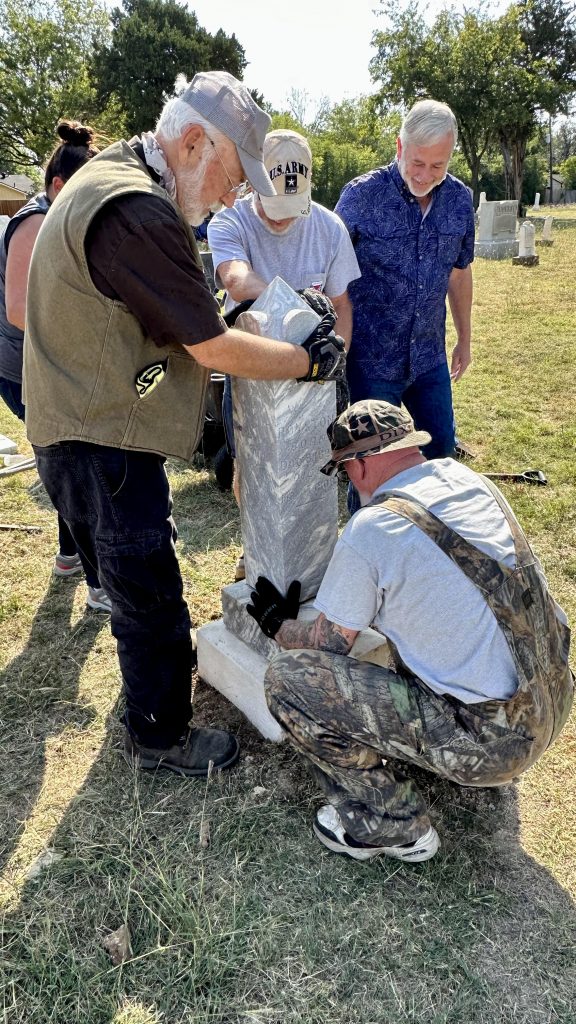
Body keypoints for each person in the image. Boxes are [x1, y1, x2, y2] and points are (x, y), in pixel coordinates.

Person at [22, 71, 347, 779]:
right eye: (234, 176)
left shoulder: (123, 177)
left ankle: (149, 695)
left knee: (136, 571)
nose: (235, 196)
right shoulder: (136, 210)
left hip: (85, 422)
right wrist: (305, 361)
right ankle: (160, 736)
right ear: (195, 142)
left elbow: (175, 314)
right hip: (96, 436)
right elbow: (210, 347)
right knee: (148, 590)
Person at [246, 401, 573, 863]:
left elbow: (331, 644)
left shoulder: (373, 528)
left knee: (289, 680)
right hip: (553, 700)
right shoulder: (468, 482)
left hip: (493, 746)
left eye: (343, 471)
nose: (349, 482)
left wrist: (278, 625)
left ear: (357, 464)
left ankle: (392, 826)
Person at [208, 128, 360, 577]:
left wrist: (338, 357)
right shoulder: (230, 221)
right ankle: (254, 545)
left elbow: (343, 306)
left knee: (317, 463)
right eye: (273, 209)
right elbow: (235, 278)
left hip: (317, 374)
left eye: (291, 210)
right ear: (253, 181)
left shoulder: (329, 227)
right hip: (252, 366)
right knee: (248, 463)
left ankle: (312, 551)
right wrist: (296, 301)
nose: (282, 221)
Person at [0, 120, 110, 612]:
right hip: (25, 370)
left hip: (46, 365)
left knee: (61, 464)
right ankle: (97, 582)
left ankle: (68, 556)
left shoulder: (60, 217)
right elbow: (21, 311)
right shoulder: (34, 222)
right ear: (60, 185)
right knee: (73, 468)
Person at [335, 100, 475, 465]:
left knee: (441, 453)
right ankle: (368, 523)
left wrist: (465, 338)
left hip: (429, 357)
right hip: (371, 361)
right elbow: (328, 272)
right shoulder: (360, 197)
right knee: (371, 465)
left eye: (437, 165)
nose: (426, 175)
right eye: (417, 162)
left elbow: (459, 272)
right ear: (400, 147)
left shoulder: (460, 201)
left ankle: (429, 521)